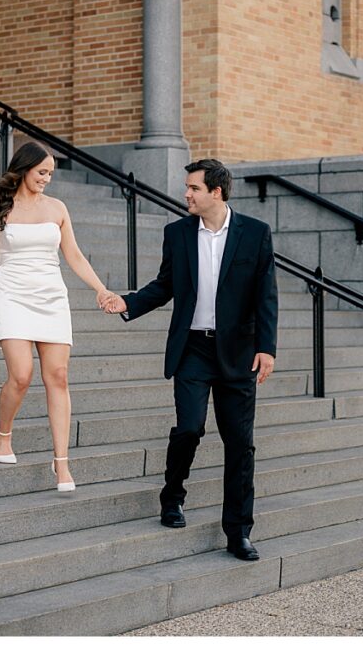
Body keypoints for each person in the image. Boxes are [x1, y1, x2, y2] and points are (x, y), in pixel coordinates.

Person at [102, 158, 278, 560]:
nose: (186, 194)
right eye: (187, 187)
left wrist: (266, 347)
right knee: (189, 428)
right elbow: (165, 285)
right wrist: (126, 302)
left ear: (216, 192)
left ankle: (238, 532)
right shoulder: (178, 233)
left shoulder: (255, 233)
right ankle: (172, 495)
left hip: (238, 353)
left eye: (193, 188)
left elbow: (265, 295)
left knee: (240, 444)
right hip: (193, 349)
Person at [0, 142, 116, 492]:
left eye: (50, 173)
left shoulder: (58, 208)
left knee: (59, 376)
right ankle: (2, 434)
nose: (46, 179)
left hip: (51, 296)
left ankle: (61, 462)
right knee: (21, 376)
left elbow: (75, 256)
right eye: (41, 172)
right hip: (12, 295)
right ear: (23, 169)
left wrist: (101, 289)